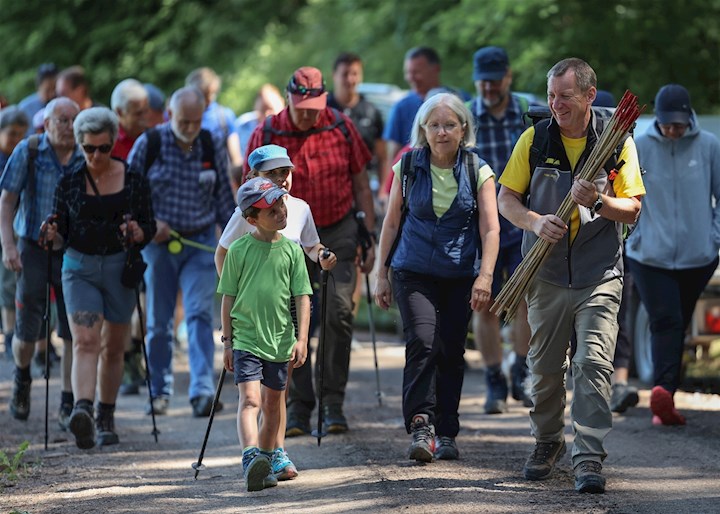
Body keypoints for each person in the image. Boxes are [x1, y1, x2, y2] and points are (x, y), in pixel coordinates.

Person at [497, 58, 645, 493]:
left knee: (593, 365)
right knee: (543, 369)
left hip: (598, 273)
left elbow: (634, 208)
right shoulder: (536, 137)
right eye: (551, 95)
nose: (555, 104)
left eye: (564, 96)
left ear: (588, 96)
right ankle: (547, 442)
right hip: (544, 273)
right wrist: (534, 222)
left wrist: (599, 200)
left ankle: (589, 457)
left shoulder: (617, 141)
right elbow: (507, 199)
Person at [244, 66, 374, 436]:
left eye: (315, 106)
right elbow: (247, 193)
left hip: (338, 229)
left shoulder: (341, 126)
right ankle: (299, 405)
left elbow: (361, 181)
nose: (309, 114)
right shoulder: (266, 133)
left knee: (338, 313)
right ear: (288, 98)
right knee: (290, 319)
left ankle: (332, 402)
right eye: (302, 107)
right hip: (284, 233)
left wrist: (369, 230)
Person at [375, 92, 500, 462]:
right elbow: (392, 221)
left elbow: (491, 230)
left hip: (460, 273)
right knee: (424, 342)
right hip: (412, 270)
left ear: (463, 129)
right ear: (423, 130)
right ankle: (421, 425)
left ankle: (447, 430)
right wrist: (380, 274)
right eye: (434, 126)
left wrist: (486, 277)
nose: (442, 132)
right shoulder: (408, 166)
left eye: (449, 125)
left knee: (451, 350)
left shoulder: (479, 170)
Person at [216, 144, 336, 481]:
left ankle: (275, 452)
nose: (282, 179)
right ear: (254, 176)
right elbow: (224, 254)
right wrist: (240, 295)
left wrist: (322, 255)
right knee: (254, 397)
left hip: (283, 318)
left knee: (277, 394)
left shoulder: (297, 208)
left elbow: (310, 246)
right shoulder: (248, 210)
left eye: (285, 171)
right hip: (250, 322)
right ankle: (257, 456)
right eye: (272, 173)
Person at [42, 107, 155, 448]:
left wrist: (137, 232)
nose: (95, 155)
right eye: (88, 148)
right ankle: (83, 410)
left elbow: (149, 226)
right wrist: (50, 234)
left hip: (120, 268)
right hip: (79, 268)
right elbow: (60, 233)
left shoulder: (134, 179)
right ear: (79, 145)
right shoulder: (70, 181)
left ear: (113, 145)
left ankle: (106, 415)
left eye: (103, 148)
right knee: (85, 340)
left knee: (114, 346)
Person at [127, 86, 235, 417]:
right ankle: (159, 390)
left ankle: (202, 391)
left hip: (200, 241)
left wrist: (234, 238)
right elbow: (128, 193)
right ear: (170, 115)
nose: (190, 128)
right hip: (159, 246)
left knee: (200, 315)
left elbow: (222, 197)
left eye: (196, 121)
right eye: (184, 121)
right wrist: (148, 224)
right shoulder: (150, 143)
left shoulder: (210, 141)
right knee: (159, 322)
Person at [626, 84, 720, 426]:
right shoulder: (639, 145)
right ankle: (663, 393)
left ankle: (666, 395)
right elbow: (623, 192)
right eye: (668, 123)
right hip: (649, 256)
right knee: (666, 319)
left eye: (679, 123)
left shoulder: (709, 146)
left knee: (677, 321)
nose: (673, 129)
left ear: (689, 118)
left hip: (699, 256)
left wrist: (713, 238)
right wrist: (633, 237)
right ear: (660, 119)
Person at [218, 176, 312, 492]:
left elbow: (302, 297)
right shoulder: (239, 250)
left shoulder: (292, 251)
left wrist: (301, 340)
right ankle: (250, 458)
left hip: (281, 340)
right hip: (246, 338)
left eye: (281, 204)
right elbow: (227, 297)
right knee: (250, 400)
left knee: (274, 404)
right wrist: (228, 342)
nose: (281, 212)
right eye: (271, 210)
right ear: (251, 219)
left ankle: (268, 457)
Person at [0, 97, 85, 427]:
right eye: (60, 120)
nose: (67, 127)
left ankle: (68, 401)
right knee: (27, 329)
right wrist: (8, 246)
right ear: (46, 124)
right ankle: (22, 377)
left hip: (73, 251)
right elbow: (6, 200)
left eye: (72, 121)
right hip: (32, 248)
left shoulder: (84, 154)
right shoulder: (29, 151)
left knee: (71, 328)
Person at [468, 46, 533, 413]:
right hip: (480, 226)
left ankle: (521, 372)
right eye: (483, 81)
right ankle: (494, 379)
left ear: (507, 77)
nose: (489, 88)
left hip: (522, 219)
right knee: (485, 303)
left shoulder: (528, 111)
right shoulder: (465, 115)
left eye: (495, 80)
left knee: (525, 302)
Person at [381, 47, 442, 197]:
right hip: (414, 188)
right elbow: (392, 156)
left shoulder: (457, 99)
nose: (411, 77)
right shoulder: (402, 107)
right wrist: (387, 192)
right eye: (408, 72)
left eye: (416, 72)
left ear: (435, 69)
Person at [0, 107, 30, 359]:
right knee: (7, 282)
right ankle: (9, 332)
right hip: (4, 227)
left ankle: (20, 333)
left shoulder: (25, 156)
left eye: (21, 134)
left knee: (20, 280)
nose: (16, 139)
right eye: (11, 134)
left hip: (20, 225)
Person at [185, 67, 239, 166]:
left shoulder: (224, 116)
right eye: (203, 94)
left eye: (211, 94)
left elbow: (235, 156)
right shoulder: (183, 117)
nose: (208, 99)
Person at [234, 84, 285, 166]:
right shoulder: (243, 125)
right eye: (262, 110)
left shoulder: (291, 127)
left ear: (282, 104)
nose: (267, 114)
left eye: (270, 109)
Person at [110, 78, 149, 160]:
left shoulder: (153, 137)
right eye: (138, 114)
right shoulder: (107, 144)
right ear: (120, 112)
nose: (145, 118)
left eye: (146, 111)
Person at [18, 63, 58, 136]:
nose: (52, 94)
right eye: (48, 90)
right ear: (38, 87)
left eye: (55, 89)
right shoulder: (25, 108)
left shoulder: (62, 104)